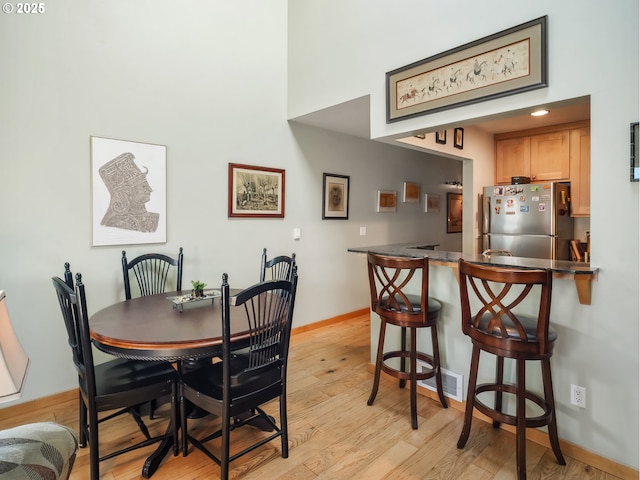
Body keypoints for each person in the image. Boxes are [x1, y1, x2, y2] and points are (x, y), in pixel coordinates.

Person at [99, 152, 159, 232]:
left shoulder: (152, 217)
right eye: (143, 186)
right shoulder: (118, 222)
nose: (150, 189)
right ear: (128, 192)